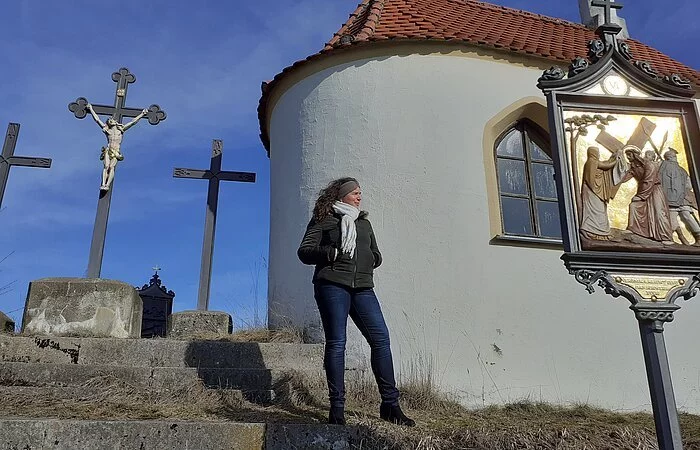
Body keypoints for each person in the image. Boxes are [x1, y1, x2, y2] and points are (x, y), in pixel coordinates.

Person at [297, 177, 415, 427]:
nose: (359, 196)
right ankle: (337, 408)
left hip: (363, 287)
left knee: (381, 339)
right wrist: (329, 252)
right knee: (338, 343)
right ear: (342, 195)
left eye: (360, 192)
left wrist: (374, 258)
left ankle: (390, 405)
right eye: (355, 193)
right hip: (331, 285)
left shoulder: (364, 223)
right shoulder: (324, 219)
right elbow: (304, 251)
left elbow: (375, 252)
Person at [87, 103, 148, 191]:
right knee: (106, 167)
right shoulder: (108, 131)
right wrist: (91, 109)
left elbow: (133, 122)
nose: (110, 120)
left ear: (115, 122)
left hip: (116, 152)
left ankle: (107, 185)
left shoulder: (121, 130)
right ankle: (103, 184)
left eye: (111, 120)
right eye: (109, 120)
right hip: (108, 150)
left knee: (111, 167)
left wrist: (142, 114)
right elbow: (97, 120)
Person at [625, 147, 674, 243]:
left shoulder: (650, 165)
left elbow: (649, 180)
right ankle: (634, 229)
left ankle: (666, 237)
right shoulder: (634, 166)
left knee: (659, 212)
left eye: (629, 154)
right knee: (633, 206)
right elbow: (624, 178)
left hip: (654, 190)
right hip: (644, 191)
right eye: (646, 155)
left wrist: (640, 196)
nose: (627, 157)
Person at [579, 146, 627, 240]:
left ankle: (599, 232)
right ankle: (590, 230)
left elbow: (604, 164)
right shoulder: (592, 162)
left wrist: (613, 157)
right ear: (593, 153)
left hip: (595, 191)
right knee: (594, 211)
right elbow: (606, 166)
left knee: (599, 211)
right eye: (597, 153)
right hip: (592, 191)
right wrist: (616, 160)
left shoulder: (593, 162)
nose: (598, 154)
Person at [659, 148, 700, 245]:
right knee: (687, 217)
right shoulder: (682, 171)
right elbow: (689, 186)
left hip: (670, 199)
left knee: (672, 218)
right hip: (683, 198)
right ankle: (698, 236)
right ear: (673, 157)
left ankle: (667, 238)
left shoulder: (662, 168)